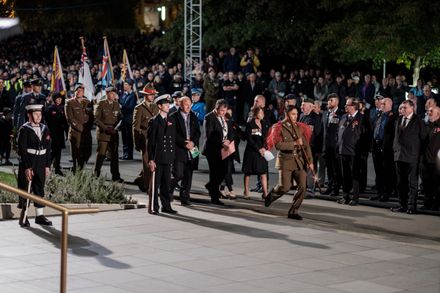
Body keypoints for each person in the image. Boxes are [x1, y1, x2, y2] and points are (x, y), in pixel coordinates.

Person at [264, 105, 313, 220]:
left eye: (297, 114)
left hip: (298, 161)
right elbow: (278, 145)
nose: (296, 116)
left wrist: (310, 161)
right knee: (285, 187)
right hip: (285, 161)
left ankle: (293, 211)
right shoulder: (278, 127)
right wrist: (295, 143)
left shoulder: (300, 127)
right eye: (293, 114)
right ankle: (271, 196)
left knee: (302, 186)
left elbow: (306, 147)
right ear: (287, 114)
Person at [17, 104, 52, 227]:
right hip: (30, 160)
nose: (39, 116)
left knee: (39, 188)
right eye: (36, 114)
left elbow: (48, 148)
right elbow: (22, 149)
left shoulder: (45, 128)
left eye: (40, 114)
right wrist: (27, 167)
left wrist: (47, 165)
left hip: (41, 161)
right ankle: (24, 215)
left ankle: (39, 216)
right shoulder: (24, 129)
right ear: (29, 115)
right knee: (26, 189)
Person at [391, 100, 426, 214]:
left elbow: (423, 138)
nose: (402, 110)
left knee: (412, 183)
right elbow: (396, 137)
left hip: (412, 156)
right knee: (401, 183)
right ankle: (402, 205)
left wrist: (419, 154)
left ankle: (412, 206)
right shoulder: (399, 120)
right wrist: (395, 149)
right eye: (401, 108)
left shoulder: (418, 121)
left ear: (412, 108)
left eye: (405, 108)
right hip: (399, 156)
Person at [147, 94, 177, 214]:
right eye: (165, 104)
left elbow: (173, 140)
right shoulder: (154, 121)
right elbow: (151, 143)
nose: (168, 106)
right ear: (159, 106)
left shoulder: (171, 120)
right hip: (158, 158)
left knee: (166, 184)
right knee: (155, 185)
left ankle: (166, 206)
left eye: (168, 104)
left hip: (168, 157)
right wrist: (151, 159)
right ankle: (154, 207)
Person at [169, 96, 201, 206]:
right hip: (180, 149)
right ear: (180, 105)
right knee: (178, 174)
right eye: (186, 104)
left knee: (189, 174)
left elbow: (198, 132)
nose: (188, 106)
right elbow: (173, 134)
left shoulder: (193, 116)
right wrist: (184, 143)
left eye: (190, 104)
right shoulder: (173, 116)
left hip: (193, 148)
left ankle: (185, 197)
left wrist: (193, 143)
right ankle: (168, 190)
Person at [202, 99, 233, 205]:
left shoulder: (225, 117)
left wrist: (229, 140)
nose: (223, 112)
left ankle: (210, 186)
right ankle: (214, 197)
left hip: (224, 149)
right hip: (213, 150)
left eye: (225, 110)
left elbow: (230, 131)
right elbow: (209, 135)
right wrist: (222, 143)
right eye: (221, 110)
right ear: (216, 108)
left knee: (224, 171)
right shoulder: (209, 117)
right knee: (214, 173)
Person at [337, 98, 365, 206]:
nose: (345, 107)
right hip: (342, 151)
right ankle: (346, 196)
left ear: (354, 106)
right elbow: (338, 133)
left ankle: (355, 197)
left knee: (355, 175)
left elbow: (365, 136)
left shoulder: (362, 118)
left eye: (347, 105)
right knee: (345, 175)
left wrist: (363, 152)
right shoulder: (344, 117)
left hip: (354, 152)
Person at [132, 85, 159, 198]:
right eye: (150, 94)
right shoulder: (139, 108)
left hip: (155, 139)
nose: (152, 96)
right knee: (148, 164)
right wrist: (137, 143)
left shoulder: (155, 107)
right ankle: (150, 188)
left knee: (154, 163)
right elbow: (135, 127)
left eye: (153, 95)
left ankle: (140, 179)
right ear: (145, 95)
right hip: (145, 139)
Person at [93, 86, 123, 182]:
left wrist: (117, 126)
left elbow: (119, 119)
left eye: (114, 94)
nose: (113, 95)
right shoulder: (101, 104)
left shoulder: (117, 104)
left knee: (114, 155)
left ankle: (116, 176)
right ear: (107, 94)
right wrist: (106, 128)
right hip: (104, 133)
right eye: (111, 93)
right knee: (101, 154)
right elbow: (96, 119)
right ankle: (96, 175)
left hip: (113, 133)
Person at [370, 97, 397, 201]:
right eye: (381, 104)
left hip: (386, 147)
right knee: (378, 171)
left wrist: (385, 146)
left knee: (387, 171)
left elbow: (391, 135)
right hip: (376, 146)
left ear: (389, 105)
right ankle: (379, 192)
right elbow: (375, 130)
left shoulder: (392, 117)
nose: (381, 105)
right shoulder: (379, 115)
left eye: (383, 104)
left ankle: (387, 193)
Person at [242, 107, 269, 199]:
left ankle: (265, 193)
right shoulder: (250, 124)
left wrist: (265, 148)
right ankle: (246, 191)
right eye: (261, 112)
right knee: (248, 172)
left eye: (263, 112)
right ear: (256, 114)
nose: (262, 114)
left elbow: (267, 137)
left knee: (263, 172)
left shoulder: (264, 124)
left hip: (262, 151)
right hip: (252, 151)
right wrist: (258, 149)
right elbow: (249, 139)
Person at [321, 93, 344, 196]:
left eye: (332, 100)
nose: (329, 102)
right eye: (329, 100)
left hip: (336, 147)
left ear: (337, 102)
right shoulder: (325, 113)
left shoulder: (341, 114)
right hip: (327, 146)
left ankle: (336, 188)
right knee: (329, 169)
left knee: (336, 169)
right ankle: (330, 187)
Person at [65, 83, 90, 172]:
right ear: (75, 91)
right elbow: (70, 119)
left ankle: (81, 170)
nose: (80, 92)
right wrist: (80, 128)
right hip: (76, 133)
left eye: (82, 91)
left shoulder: (86, 102)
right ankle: (76, 173)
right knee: (76, 154)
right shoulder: (70, 103)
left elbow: (91, 115)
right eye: (78, 90)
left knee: (86, 153)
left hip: (85, 133)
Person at [421, 106, 440, 211]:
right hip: (425, 160)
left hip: (436, 161)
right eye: (428, 111)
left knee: (436, 184)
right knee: (426, 183)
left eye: (431, 111)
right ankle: (427, 203)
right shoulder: (427, 125)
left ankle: (437, 204)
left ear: (438, 114)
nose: (429, 112)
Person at [44, 92, 68, 175]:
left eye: (60, 98)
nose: (59, 99)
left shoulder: (62, 108)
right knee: (54, 151)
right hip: (52, 133)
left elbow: (65, 122)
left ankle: (57, 168)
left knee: (58, 151)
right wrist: (49, 134)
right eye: (57, 98)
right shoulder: (49, 109)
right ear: (54, 99)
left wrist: (67, 132)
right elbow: (47, 122)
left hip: (60, 133)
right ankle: (47, 166)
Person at [119, 79, 136, 160]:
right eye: (124, 84)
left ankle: (129, 154)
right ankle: (125, 153)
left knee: (129, 137)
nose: (124, 86)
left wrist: (121, 106)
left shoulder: (133, 95)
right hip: (123, 119)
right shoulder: (124, 94)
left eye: (126, 84)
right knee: (124, 137)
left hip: (129, 119)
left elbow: (131, 108)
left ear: (130, 86)